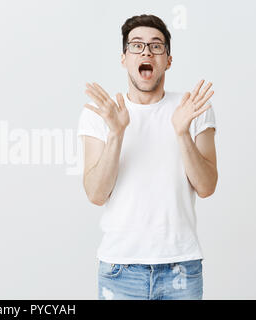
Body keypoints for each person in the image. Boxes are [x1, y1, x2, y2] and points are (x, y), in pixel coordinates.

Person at [77, 14, 218, 300]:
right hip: (120, 270)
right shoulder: (100, 114)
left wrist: (182, 133)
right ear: (124, 57)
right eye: (137, 46)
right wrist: (116, 133)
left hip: (182, 269)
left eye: (156, 46)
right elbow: (95, 193)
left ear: (168, 59)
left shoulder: (193, 109)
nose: (146, 52)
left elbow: (206, 187)